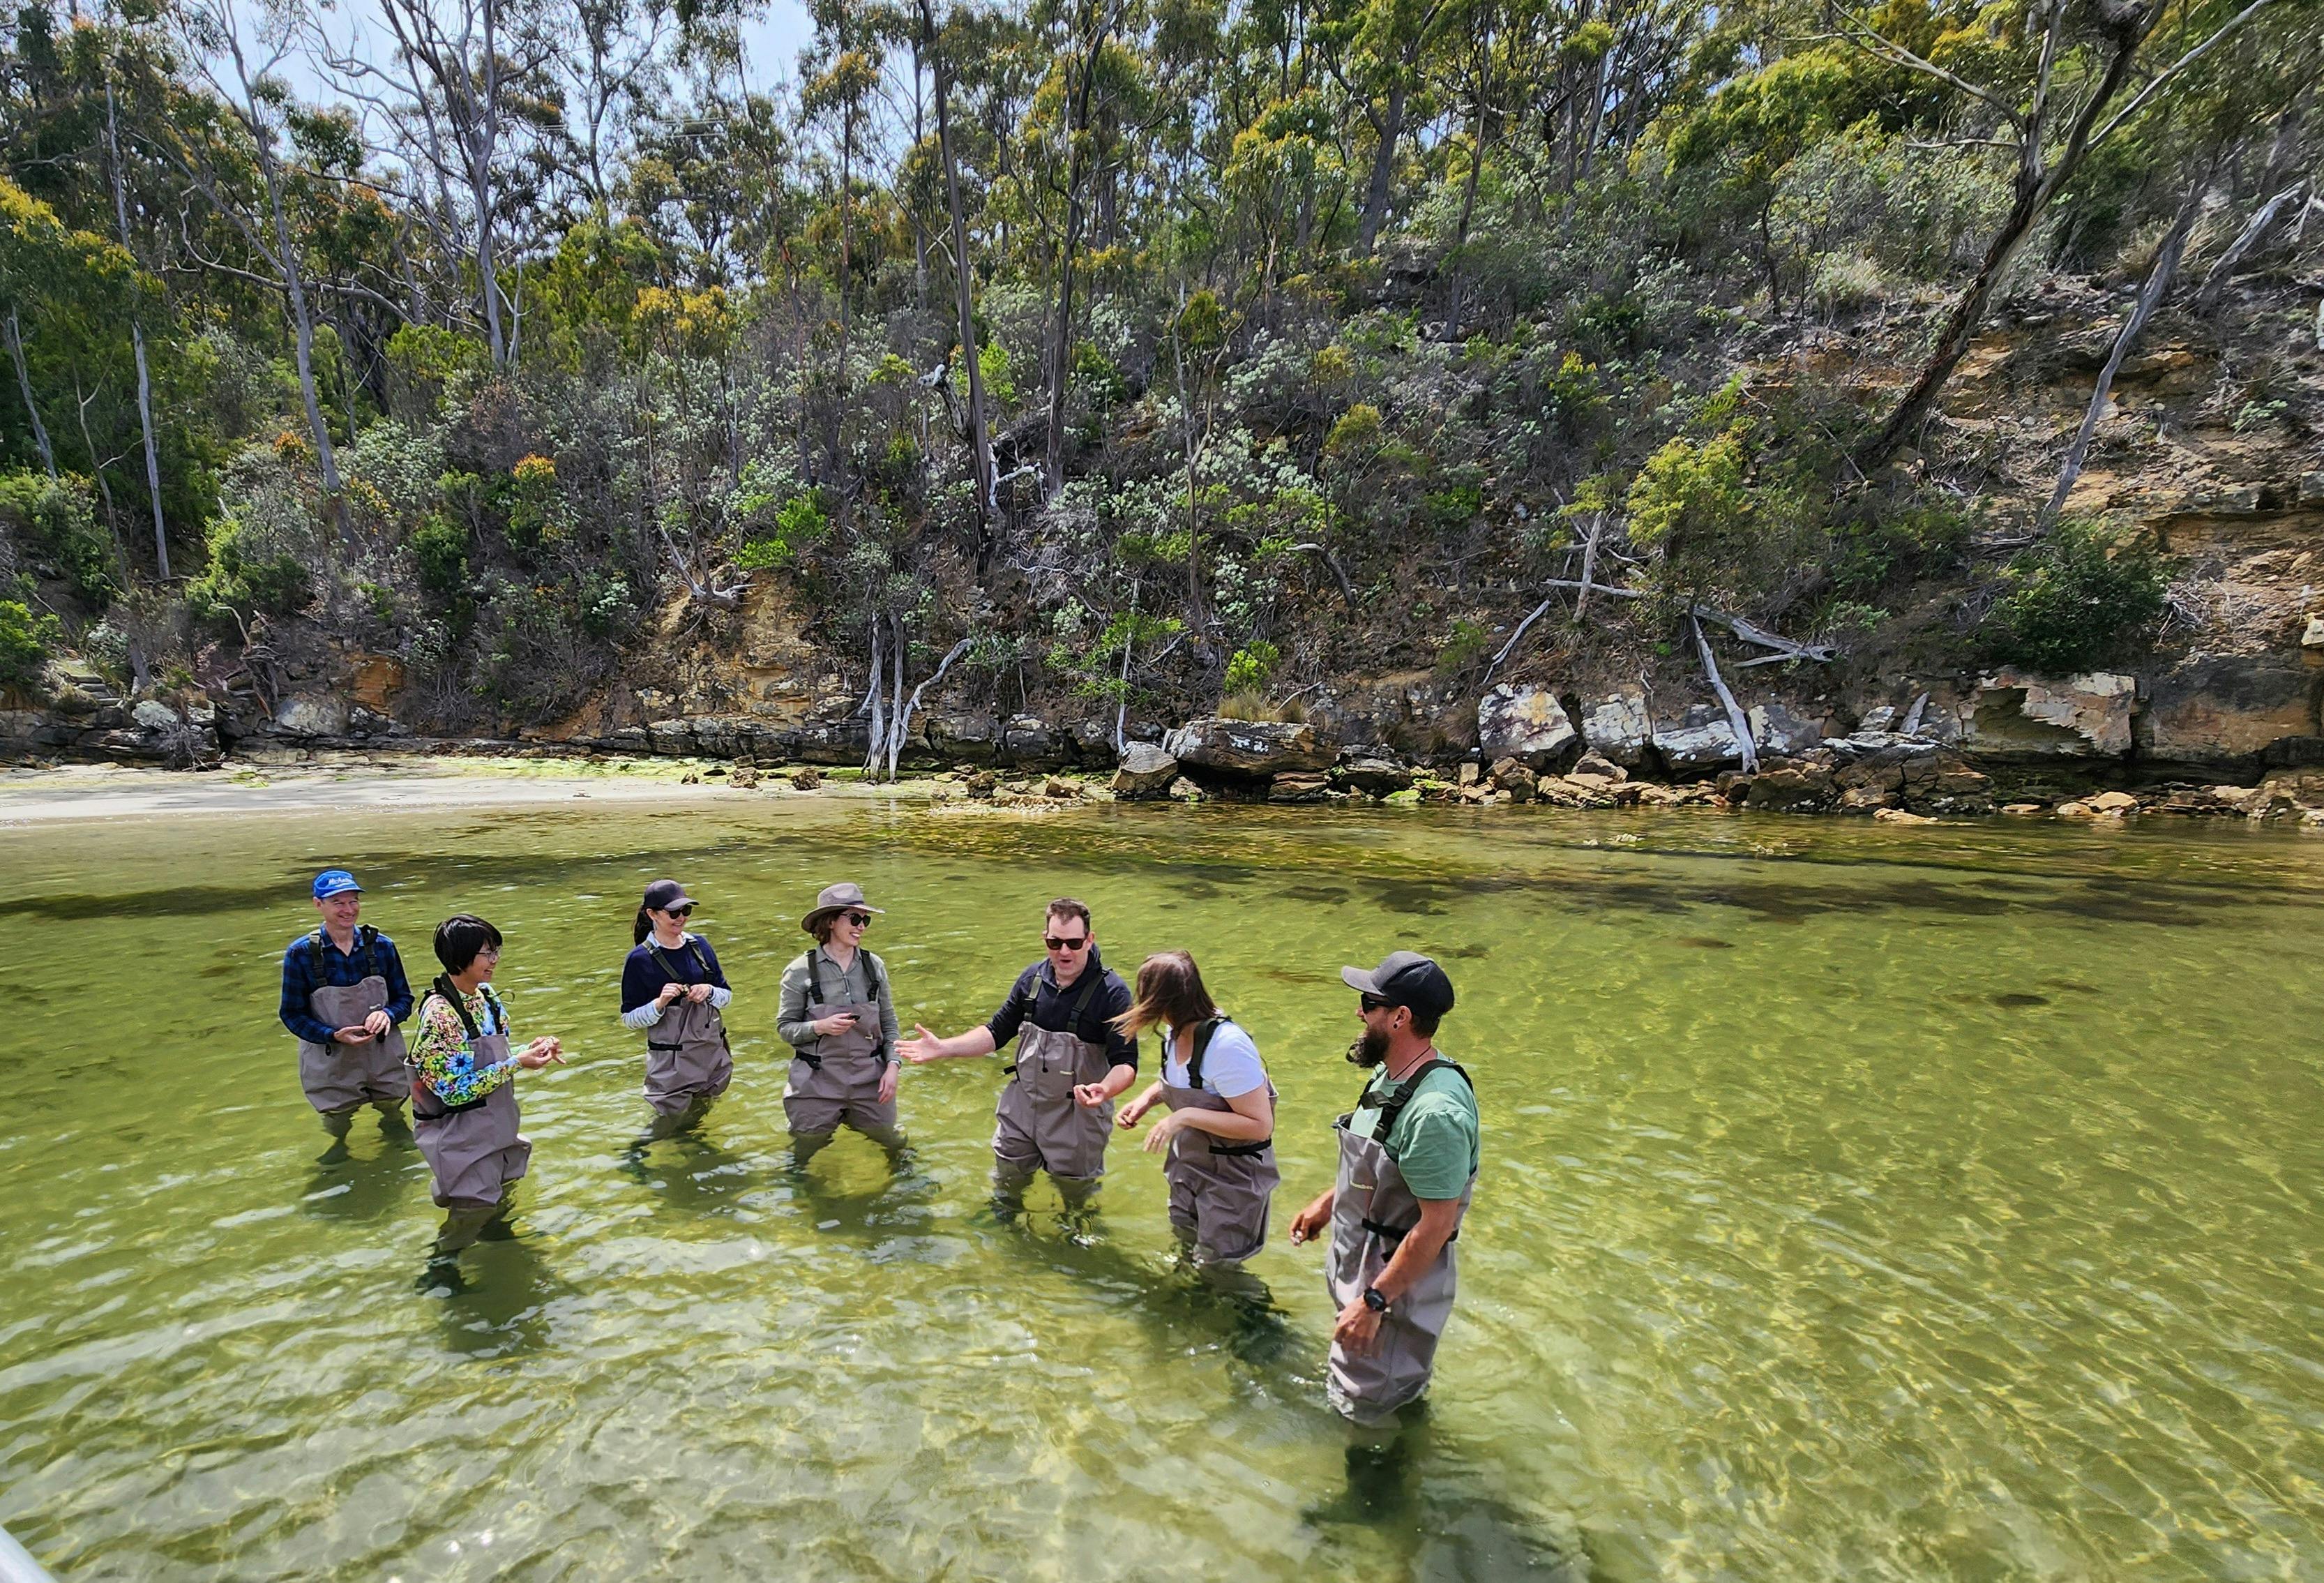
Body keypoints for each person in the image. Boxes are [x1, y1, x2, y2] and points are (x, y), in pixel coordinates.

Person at [1288, 951, 1479, 1428]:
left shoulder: (1435, 1112)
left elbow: (1435, 1227)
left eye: (1369, 1001)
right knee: (1369, 1397)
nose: (1359, 1011)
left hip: (1392, 1294)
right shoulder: (1391, 1075)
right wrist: (1328, 1203)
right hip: (1369, 1275)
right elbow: (1375, 1161)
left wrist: (1375, 1301)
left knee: (1369, 1415)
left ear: (1401, 1018)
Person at [898, 898, 1138, 1213]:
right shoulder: (1032, 980)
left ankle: (1075, 1236)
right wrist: (945, 1048)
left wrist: (1104, 1090)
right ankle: (1004, 1232)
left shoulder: (1113, 993)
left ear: (1090, 940)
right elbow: (996, 1032)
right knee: (1007, 1182)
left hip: (1077, 1116)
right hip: (1023, 1107)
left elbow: (1127, 1064)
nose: (1064, 951)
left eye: (1074, 943)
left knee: (1076, 1195)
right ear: (1045, 938)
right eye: (1055, 942)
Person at [408, 913, 563, 1261]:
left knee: (499, 1195)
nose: (494, 961)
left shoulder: (487, 997)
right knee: (470, 1211)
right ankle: (441, 1270)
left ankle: (497, 1240)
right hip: (462, 1133)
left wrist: (532, 1050)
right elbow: (451, 1089)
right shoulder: (439, 1014)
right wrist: (515, 1064)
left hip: (498, 1124)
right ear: (460, 958)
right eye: (486, 953)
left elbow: (497, 1057)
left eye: (497, 952)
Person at [1113, 950, 1279, 1266]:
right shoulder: (1174, 1033)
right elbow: (1188, 1085)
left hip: (1233, 1181)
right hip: (1188, 1170)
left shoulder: (1227, 1046)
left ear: (1163, 1001)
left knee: (1221, 1270)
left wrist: (1183, 1116)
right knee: (1186, 1252)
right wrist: (1146, 1100)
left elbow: (1260, 1124)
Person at [279, 868, 416, 1164]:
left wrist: (389, 1016)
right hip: (331, 1058)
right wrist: (332, 1034)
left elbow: (405, 999)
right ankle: (339, 1145)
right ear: (319, 905)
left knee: (393, 1103)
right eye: (338, 903)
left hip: (382, 1052)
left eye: (353, 901)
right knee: (337, 1116)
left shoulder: (382, 947)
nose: (348, 910)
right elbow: (291, 1015)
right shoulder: (300, 954)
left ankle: (393, 1129)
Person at [776, 883, 906, 1169]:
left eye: (866, 920)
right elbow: (785, 1029)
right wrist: (820, 1027)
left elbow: (889, 1023)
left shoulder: (875, 966)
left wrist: (894, 1067)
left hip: (869, 1079)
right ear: (832, 921)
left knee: (894, 1146)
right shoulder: (800, 970)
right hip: (816, 1082)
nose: (862, 927)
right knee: (802, 1155)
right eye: (855, 918)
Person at [620, 878, 734, 1146]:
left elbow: (726, 996)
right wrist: (659, 1004)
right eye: (673, 913)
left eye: (686, 911)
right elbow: (629, 1019)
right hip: (671, 1063)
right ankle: (637, 1151)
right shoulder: (639, 960)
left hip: (711, 1054)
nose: (681, 918)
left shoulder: (701, 946)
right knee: (668, 1119)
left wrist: (709, 991)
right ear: (652, 914)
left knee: (699, 1113)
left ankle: (690, 1149)